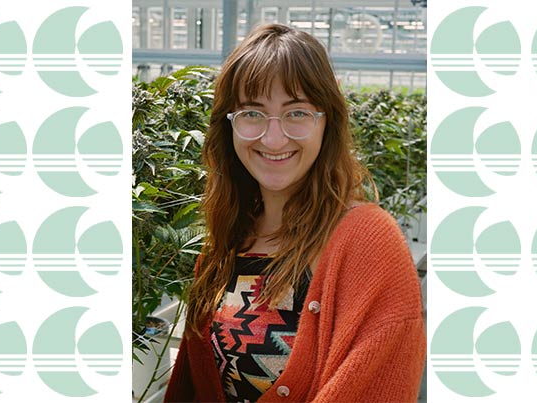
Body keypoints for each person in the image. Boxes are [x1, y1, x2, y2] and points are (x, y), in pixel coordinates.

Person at [164, 23, 425, 403]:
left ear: (326, 122)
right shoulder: (225, 243)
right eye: (252, 113)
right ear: (230, 126)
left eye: (297, 112)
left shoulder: (369, 242)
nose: (272, 138)